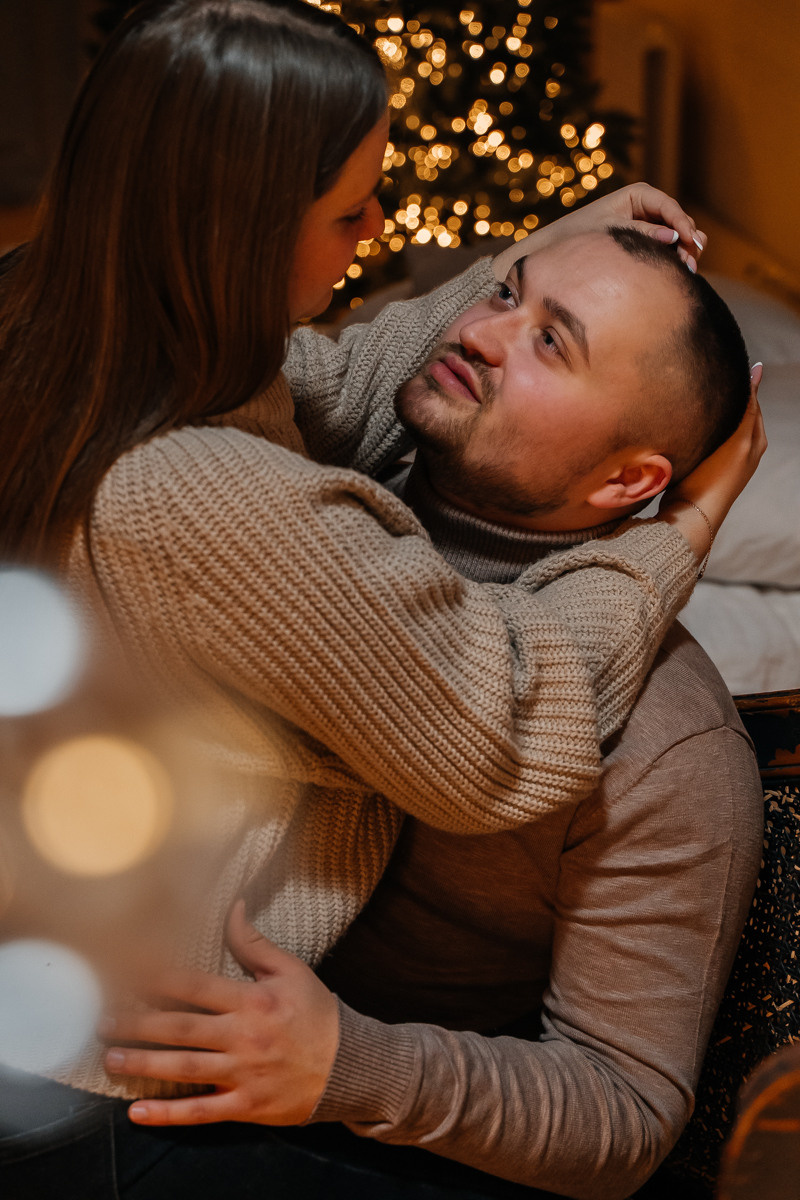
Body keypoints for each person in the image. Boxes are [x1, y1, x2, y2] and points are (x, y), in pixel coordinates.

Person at [0, 0, 763, 1195]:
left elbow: (621, 1111)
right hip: (97, 1081)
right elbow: (503, 724)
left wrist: (359, 1067)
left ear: (628, 473)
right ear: (238, 235)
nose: (385, 234)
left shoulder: (77, 329)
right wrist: (686, 529)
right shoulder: (224, 499)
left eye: (549, 337)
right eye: (349, 211)